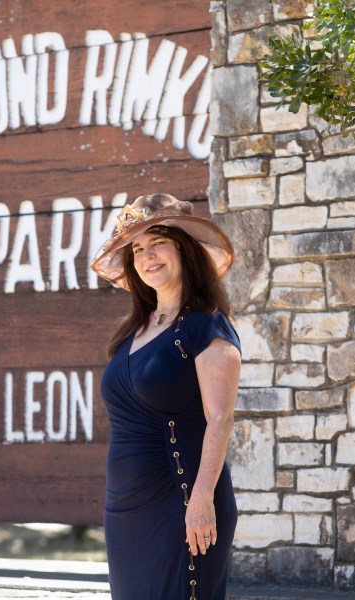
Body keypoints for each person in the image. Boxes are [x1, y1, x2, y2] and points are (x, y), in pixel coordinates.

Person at [91, 193, 241, 600]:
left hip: (183, 506)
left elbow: (220, 419)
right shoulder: (133, 331)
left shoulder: (206, 326)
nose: (146, 255)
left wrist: (202, 500)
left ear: (183, 249)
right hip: (127, 512)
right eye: (137, 248)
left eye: (157, 241)